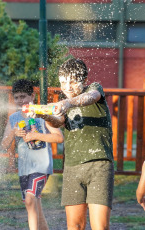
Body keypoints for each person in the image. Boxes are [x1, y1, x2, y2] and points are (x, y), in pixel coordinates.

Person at [32, 58, 114, 230]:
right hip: (72, 167)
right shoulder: (65, 103)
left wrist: (67, 102)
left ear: (83, 80)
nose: (67, 87)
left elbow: (90, 98)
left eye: (72, 81)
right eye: (63, 82)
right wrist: (43, 115)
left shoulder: (94, 89)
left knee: (100, 226)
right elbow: (57, 122)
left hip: (99, 165)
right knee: (74, 226)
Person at [1, 79, 64, 230]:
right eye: (16, 97)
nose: (20, 100)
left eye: (23, 96)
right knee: (35, 206)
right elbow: (3, 144)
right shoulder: (14, 118)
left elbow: (59, 137)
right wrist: (14, 133)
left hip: (41, 166)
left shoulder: (42, 114)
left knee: (30, 200)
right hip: (25, 169)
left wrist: (37, 136)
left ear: (32, 96)